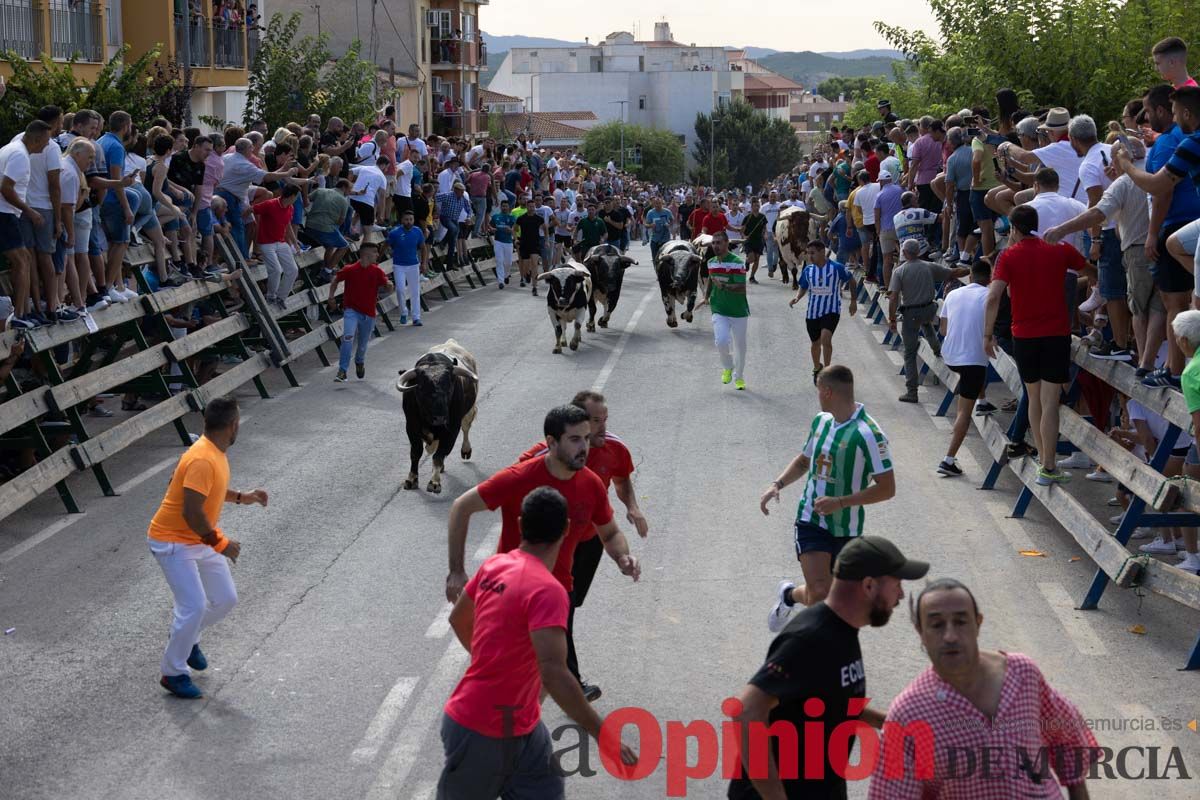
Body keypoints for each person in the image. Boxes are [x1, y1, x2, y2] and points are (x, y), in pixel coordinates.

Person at [440, 486, 636, 798]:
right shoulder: (548, 590)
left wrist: (493, 664)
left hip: (513, 725)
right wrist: (603, 734)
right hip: (484, 731)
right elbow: (555, 674)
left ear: (520, 524)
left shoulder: (494, 565)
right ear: (567, 530)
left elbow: (459, 620)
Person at [444, 405, 641, 696]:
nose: (584, 447)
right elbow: (461, 506)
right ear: (551, 442)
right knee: (521, 678)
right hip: (510, 593)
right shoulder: (519, 477)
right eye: (575, 439)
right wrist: (457, 570)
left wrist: (622, 556)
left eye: (586, 438)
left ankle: (522, 721)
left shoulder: (591, 485)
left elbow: (610, 532)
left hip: (557, 594)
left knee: (544, 679)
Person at [728, 535, 928, 800]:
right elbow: (746, 711)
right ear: (868, 586)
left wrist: (892, 723)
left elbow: (831, 698)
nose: (901, 594)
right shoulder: (811, 638)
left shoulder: (842, 630)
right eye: (897, 584)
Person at [868, 579, 1097, 799]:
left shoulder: (1022, 673)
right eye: (937, 625)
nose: (950, 636)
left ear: (978, 623)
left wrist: (1078, 791)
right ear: (921, 632)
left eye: (961, 621)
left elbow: (1066, 737)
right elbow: (892, 793)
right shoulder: (908, 713)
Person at [516, 391, 647, 701]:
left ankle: (547, 670)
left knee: (569, 606)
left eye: (603, 421)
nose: (599, 430)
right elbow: (512, 487)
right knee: (561, 612)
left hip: (590, 543)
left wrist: (632, 508)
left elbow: (621, 480)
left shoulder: (614, 448)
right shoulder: (538, 458)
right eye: (592, 422)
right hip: (553, 549)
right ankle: (566, 683)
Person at [147, 396, 268, 699]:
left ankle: (186, 637)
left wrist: (243, 496)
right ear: (232, 426)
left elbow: (206, 493)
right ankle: (172, 672)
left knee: (225, 598)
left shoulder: (211, 451)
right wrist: (221, 544)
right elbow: (191, 511)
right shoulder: (203, 458)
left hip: (197, 538)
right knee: (194, 606)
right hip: (172, 541)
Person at [761, 366, 897, 631]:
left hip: (847, 527)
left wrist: (842, 502)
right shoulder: (821, 422)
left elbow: (887, 488)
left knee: (833, 599)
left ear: (827, 391)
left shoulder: (869, 434)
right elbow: (803, 462)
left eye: (818, 392)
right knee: (821, 592)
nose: (818, 397)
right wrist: (777, 484)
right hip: (810, 518)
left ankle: (788, 595)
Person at [984, 205, 1093, 485]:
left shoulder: (1008, 256)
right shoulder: (1059, 250)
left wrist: (987, 334)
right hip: (1056, 334)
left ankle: (1044, 462)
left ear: (1014, 229)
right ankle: (1049, 464)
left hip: (1024, 335)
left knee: (1033, 399)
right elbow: (1091, 270)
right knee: (1050, 402)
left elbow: (994, 296)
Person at [890, 239, 968, 403]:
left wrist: (892, 318)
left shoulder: (899, 271)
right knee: (926, 324)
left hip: (911, 313)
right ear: (918, 252)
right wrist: (970, 270)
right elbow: (953, 273)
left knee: (910, 353)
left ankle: (912, 391)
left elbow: (894, 297)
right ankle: (937, 350)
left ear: (904, 253)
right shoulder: (929, 266)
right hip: (928, 309)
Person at [936, 260, 993, 476]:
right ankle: (948, 459)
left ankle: (983, 400)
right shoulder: (990, 296)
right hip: (972, 360)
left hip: (950, 355)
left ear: (970, 276)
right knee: (964, 412)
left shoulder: (953, 294)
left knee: (972, 374)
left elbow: (943, 330)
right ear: (989, 279)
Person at [791, 240, 857, 384]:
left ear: (822, 252)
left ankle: (827, 372)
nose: (810, 257)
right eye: (808, 254)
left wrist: (853, 301)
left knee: (826, 340)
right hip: (813, 312)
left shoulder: (837, 268)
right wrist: (797, 298)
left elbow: (852, 281)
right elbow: (803, 286)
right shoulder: (808, 270)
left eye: (813, 253)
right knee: (815, 343)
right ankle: (817, 368)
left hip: (831, 310)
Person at [327, 240, 391, 381]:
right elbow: (336, 280)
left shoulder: (377, 271)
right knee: (348, 338)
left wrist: (389, 285)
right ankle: (342, 371)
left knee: (362, 346)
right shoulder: (350, 269)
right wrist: (331, 297)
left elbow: (388, 287)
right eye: (375, 252)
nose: (377, 255)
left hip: (368, 313)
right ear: (366, 254)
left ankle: (359, 361)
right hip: (351, 310)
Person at [707, 230, 750, 390]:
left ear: (726, 243)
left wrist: (724, 286)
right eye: (714, 243)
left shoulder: (737, 262)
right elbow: (711, 281)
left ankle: (739, 378)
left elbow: (742, 288)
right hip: (719, 308)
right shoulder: (711, 262)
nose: (716, 246)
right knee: (721, 341)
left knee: (740, 347)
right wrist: (705, 297)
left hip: (738, 311)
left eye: (719, 243)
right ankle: (728, 367)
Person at [250, 184, 300, 309]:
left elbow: (288, 225)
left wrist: (294, 242)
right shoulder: (270, 204)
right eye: (297, 196)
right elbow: (251, 210)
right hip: (266, 243)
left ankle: (281, 297)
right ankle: (271, 296)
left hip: (281, 242)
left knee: (293, 270)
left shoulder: (290, 207)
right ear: (292, 196)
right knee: (276, 270)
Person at [387, 209, 427, 325]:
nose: (409, 222)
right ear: (402, 220)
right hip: (399, 265)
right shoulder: (395, 233)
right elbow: (386, 244)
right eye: (406, 220)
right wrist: (378, 258)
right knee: (400, 290)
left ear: (413, 220)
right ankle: (403, 312)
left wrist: (423, 263)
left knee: (415, 291)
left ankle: (416, 317)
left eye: (411, 219)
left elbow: (423, 247)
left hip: (413, 265)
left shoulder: (417, 231)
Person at [515, 196, 546, 294]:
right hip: (524, 244)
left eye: (533, 207)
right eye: (530, 206)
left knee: (534, 265)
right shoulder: (521, 218)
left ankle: (534, 287)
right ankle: (526, 274)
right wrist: (515, 239)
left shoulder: (539, 218)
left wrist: (547, 240)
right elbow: (514, 229)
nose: (532, 208)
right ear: (527, 207)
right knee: (525, 267)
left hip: (535, 244)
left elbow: (545, 228)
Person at [487, 198, 514, 287]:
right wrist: (491, 229)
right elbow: (489, 227)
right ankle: (501, 281)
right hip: (498, 241)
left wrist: (510, 230)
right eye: (503, 206)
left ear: (509, 207)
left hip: (509, 242)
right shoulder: (495, 217)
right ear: (501, 207)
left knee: (508, 262)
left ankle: (506, 275)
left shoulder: (512, 218)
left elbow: (515, 230)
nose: (504, 208)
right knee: (499, 261)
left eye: (506, 206)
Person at [742, 198, 767, 282]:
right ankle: (747, 261)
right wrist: (744, 236)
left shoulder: (762, 217)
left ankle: (752, 277)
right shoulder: (747, 217)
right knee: (751, 257)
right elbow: (742, 229)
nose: (757, 207)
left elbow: (764, 228)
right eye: (755, 206)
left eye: (758, 206)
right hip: (749, 240)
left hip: (759, 240)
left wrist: (765, 234)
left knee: (757, 259)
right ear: (751, 207)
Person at [645, 196, 674, 265]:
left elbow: (672, 220)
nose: (657, 205)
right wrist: (651, 225)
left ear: (662, 203)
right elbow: (646, 225)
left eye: (659, 203)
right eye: (656, 203)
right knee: (655, 259)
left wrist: (669, 224)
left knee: (666, 259)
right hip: (655, 239)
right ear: (653, 204)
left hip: (665, 239)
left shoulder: (667, 211)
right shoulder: (650, 212)